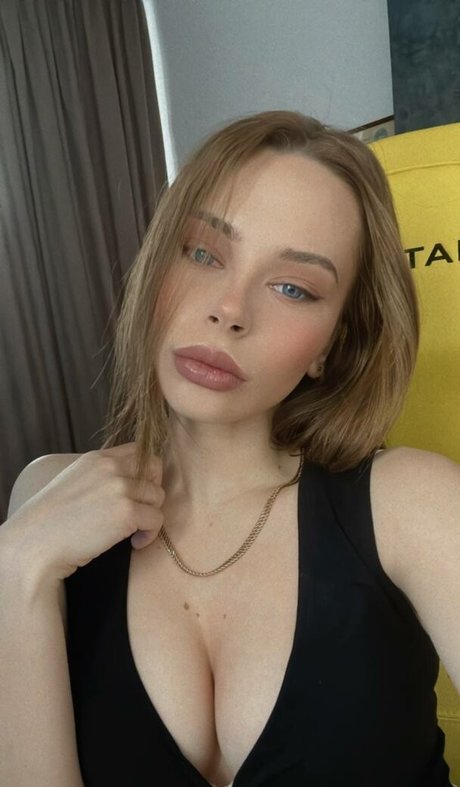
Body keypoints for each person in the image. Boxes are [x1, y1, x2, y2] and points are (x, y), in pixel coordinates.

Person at [1, 110, 459, 787]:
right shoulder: (45, 497)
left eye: (293, 287)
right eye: (203, 253)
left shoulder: (410, 503)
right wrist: (17, 567)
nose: (230, 309)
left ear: (332, 345)